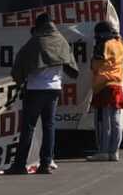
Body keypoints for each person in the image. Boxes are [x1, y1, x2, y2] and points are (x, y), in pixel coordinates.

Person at [5, 13, 79, 175]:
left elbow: (19, 66)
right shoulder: (61, 41)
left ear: (38, 26)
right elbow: (71, 65)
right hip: (54, 89)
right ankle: (45, 163)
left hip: (35, 89)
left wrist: (20, 80)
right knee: (49, 126)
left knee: (28, 127)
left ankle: (19, 165)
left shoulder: (35, 42)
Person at [87, 20, 123, 162]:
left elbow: (95, 65)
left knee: (103, 122)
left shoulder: (103, 45)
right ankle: (114, 152)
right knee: (116, 121)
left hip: (103, 85)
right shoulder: (120, 44)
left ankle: (103, 151)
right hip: (117, 84)